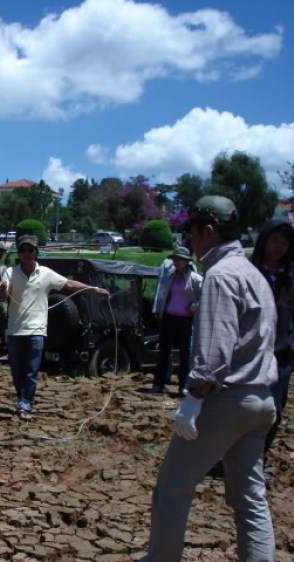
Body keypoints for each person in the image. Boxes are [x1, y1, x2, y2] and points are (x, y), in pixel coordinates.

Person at [139, 196, 278, 562]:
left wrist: (194, 398)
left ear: (209, 230)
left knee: (173, 487)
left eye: (194, 232)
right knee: (249, 496)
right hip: (262, 400)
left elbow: (215, 348)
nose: (192, 241)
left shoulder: (219, 276)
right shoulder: (253, 274)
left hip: (226, 399)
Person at [0, 234, 110, 421]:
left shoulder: (46, 274)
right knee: (16, 371)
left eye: (30, 249)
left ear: (36, 252)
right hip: (15, 330)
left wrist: (95, 289)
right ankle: (21, 398)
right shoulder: (10, 272)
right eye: (23, 249)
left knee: (31, 370)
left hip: (37, 331)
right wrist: (2, 288)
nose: (27, 253)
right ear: (19, 252)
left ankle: (26, 403)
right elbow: (3, 298)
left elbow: (69, 284)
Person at [251, 218, 294, 485]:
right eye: (275, 240)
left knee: (274, 410)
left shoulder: (290, 276)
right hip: (252, 353)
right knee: (247, 409)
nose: (279, 247)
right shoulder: (252, 274)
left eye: (285, 242)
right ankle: (241, 460)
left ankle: (258, 461)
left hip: (282, 354)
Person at [150, 246, 203, 395]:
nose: (177, 262)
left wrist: (192, 307)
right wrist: (159, 310)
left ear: (187, 261)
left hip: (184, 320)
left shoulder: (195, 279)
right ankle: (158, 384)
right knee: (163, 352)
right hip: (168, 317)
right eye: (175, 259)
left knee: (185, 353)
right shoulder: (170, 276)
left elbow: (203, 299)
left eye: (180, 260)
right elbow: (163, 293)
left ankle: (183, 385)